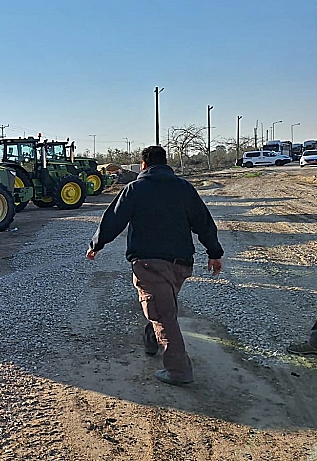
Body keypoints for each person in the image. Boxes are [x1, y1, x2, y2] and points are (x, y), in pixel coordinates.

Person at [86, 145, 224, 386]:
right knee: (163, 307)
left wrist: (96, 244)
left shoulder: (135, 189)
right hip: (180, 264)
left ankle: (178, 371)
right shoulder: (184, 188)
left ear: (143, 164)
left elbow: (113, 219)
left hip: (149, 263)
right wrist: (214, 252)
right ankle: (152, 343)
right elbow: (203, 222)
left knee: (162, 314)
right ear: (166, 163)